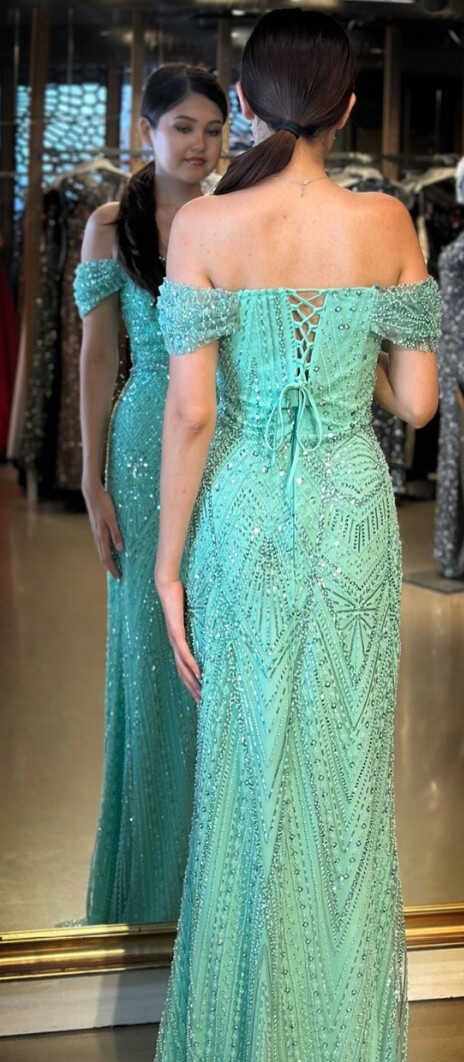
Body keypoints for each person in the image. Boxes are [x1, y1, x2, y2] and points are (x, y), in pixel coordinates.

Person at [120, 10, 439, 1062]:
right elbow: (416, 405)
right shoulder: (388, 222)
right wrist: (364, 345)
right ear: (348, 108)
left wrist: (166, 567)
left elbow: (193, 413)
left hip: (247, 514)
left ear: (247, 107)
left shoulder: (203, 224)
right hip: (350, 514)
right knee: (343, 791)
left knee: (246, 785)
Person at [74, 64, 227, 924]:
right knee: (148, 655)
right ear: (147, 131)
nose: (200, 144)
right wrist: (91, 478)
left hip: (225, 445)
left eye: (213, 128)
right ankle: (150, 892)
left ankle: (216, 888)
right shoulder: (108, 226)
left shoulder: (231, 214)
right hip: (140, 453)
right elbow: (98, 356)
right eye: (183, 127)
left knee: (220, 646)